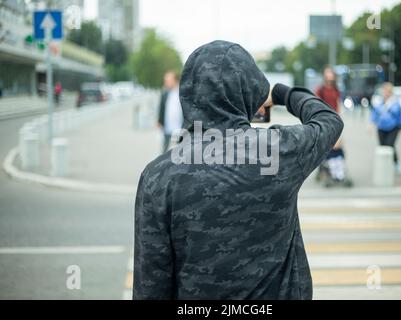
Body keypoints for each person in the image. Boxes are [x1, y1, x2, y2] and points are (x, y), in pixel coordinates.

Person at [133, 41, 343, 300]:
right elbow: (329, 120)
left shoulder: (158, 176)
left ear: (188, 92)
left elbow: (151, 285)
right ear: (251, 92)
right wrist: (280, 93)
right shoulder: (278, 152)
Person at [371, 82, 401, 173]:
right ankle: (385, 166)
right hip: (381, 127)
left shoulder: (395, 103)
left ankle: (396, 163)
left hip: (393, 128)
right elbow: (375, 113)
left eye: (387, 91)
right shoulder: (380, 102)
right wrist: (371, 124)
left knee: (390, 146)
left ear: (390, 92)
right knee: (382, 147)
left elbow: (399, 114)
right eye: (384, 91)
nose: (385, 93)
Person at [157, 71, 183, 153]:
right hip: (167, 128)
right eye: (165, 80)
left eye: (168, 80)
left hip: (179, 128)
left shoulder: (182, 94)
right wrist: (159, 121)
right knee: (164, 150)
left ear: (175, 81)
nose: (166, 82)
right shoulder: (165, 93)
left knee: (180, 150)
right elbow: (161, 108)